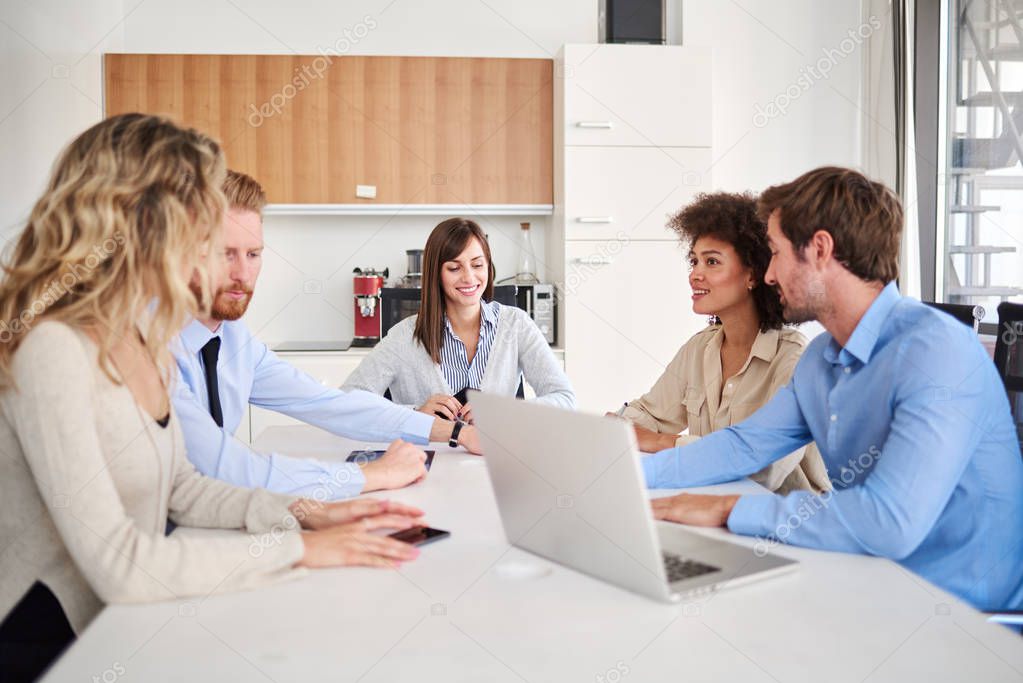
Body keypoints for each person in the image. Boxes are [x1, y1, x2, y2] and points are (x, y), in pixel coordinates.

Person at [0, 115, 423, 682]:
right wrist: (297, 552)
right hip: (50, 648)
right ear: (134, 221)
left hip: (128, 627)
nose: (212, 249)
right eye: (197, 222)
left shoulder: (142, 339)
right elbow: (121, 564)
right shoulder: (53, 347)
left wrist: (303, 515)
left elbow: (183, 488)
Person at [645, 166, 1023, 611]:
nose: (768, 275)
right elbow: (741, 446)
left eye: (776, 254)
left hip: (969, 614)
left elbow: (889, 522)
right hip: (874, 579)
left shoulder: (936, 352)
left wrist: (731, 510)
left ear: (820, 249)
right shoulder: (823, 358)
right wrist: (625, 476)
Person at [172, 172, 481, 501]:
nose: (243, 275)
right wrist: (370, 474)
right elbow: (225, 466)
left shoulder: (234, 340)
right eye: (226, 253)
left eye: (253, 254)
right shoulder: (150, 346)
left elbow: (330, 405)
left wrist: (457, 433)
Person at [612, 192, 828, 494]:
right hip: (717, 503)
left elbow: (763, 469)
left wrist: (668, 442)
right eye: (694, 261)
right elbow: (650, 415)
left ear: (752, 273)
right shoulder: (700, 348)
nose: (694, 275)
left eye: (711, 261)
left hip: (785, 523)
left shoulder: (793, 358)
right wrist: (611, 428)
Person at [343, 217, 575, 424]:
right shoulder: (404, 336)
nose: (469, 277)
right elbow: (347, 404)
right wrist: (414, 414)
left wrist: (507, 411)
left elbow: (564, 399)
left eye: (477, 265)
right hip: (426, 462)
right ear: (436, 274)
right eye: (454, 268)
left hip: (496, 460)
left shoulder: (516, 324)